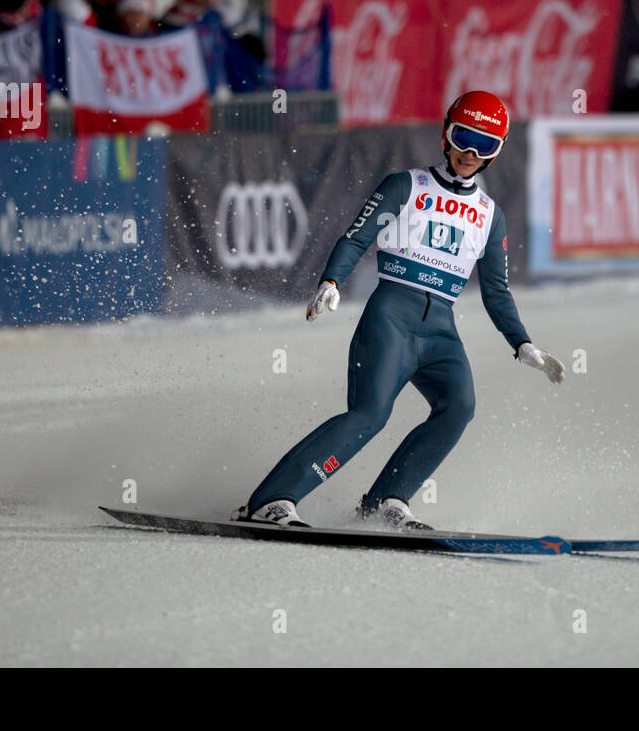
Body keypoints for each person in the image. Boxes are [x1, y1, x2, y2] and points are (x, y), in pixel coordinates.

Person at [235, 91, 565, 529]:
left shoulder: (490, 215)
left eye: (484, 145)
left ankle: (386, 502)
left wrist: (521, 342)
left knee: (459, 405)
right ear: (446, 135)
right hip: (391, 316)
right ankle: (272, 499)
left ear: (496, 152)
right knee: (369, 415)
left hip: (440, 330)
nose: (470, 153)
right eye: (464, 138)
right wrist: (332, 281)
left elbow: (497, 291)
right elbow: (355, 238)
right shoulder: (405, 185)